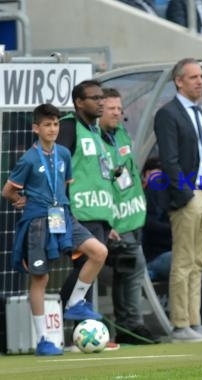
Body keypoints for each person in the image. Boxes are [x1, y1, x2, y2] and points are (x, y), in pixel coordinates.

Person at [2, 104, 108, 356]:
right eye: (47, 125)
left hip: (62, 215)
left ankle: (75, 302)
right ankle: (43, 339)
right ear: (36, 128)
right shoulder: (28, 159)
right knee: (41, 278)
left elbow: (64, 186)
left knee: (99, 252)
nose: (52, 129)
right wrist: (19, 199)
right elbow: (8, 190)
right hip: (38, 220)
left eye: (56, 124)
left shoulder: (63, 154)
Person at [153, 58, 202, 343]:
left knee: (198, 262)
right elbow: (169, 159)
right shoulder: (168, 113)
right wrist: (186, 193)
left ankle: (195, 320)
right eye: (193, 77)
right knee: (183, 261)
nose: (200, 81)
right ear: (179, 81)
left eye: (201, 76)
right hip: (189, 195)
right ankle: (180, 325)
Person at [99, 88, 158, 345]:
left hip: (131, 217)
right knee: (135, 266)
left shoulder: (120, 134)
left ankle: (127, 326)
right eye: (111, 108)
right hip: (110, 219)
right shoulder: (94, 139)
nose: (116, 112)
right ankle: (131, 324)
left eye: (119, 108)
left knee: (128, 269)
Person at [56, 80, 118, 311]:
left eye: (102, 97)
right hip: (78, 211)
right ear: (79, 103)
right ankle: (65, 322)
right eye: (95, 98)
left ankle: (82, 328)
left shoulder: (96, 133)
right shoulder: (69, 127)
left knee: (90, 268)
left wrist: (108, 217)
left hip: (99, 212)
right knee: (84, 265)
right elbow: (58, 167)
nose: (101, 102)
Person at [142, 156, 172, 282]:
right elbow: (148, 224)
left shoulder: (168, 194)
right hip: (156, 257)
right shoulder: (144, 196)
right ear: (144, 176)